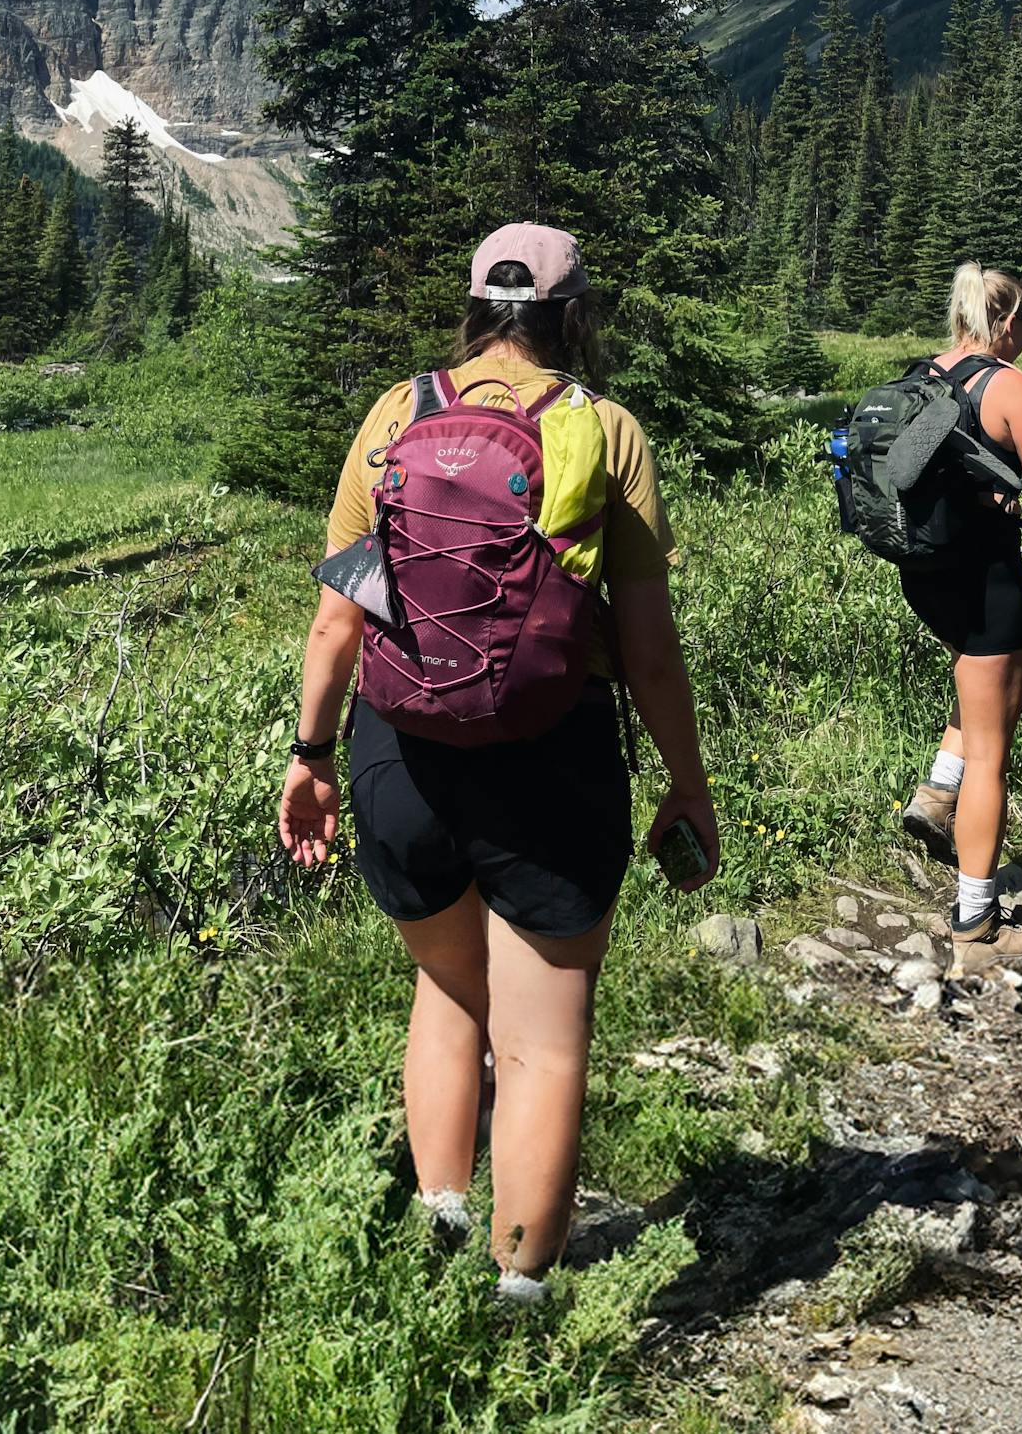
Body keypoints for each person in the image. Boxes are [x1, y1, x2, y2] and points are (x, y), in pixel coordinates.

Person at [275, 223, 720, 1312]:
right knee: (544, 1038)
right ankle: (517, 1305)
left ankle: (440, 1223)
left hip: (396, 751)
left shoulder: (397, 412)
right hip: (549, 754)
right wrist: (685, 778)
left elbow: (339, 618)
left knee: (444, 981)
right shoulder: (604, 430)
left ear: (478, 307)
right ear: (572, 315)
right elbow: (649, 646)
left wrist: (310, 755)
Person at [889, 263, 1022, 973]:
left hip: (927, 575)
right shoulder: (1006, 384)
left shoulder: (923, 373)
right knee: (994, 750)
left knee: (991, 686)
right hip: (986, 579)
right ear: (1006, 323)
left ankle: (939, 789)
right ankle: (977, 924)